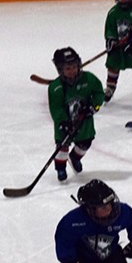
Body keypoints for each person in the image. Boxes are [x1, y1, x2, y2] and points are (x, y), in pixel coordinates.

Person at [48, 47, 105, 182]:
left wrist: (93, 107)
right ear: (60, 69)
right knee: (62, 148)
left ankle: (75, 157)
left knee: (85, 144)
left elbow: (99, 94)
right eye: (67, 68)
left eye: (74, 67)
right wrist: (62, 122)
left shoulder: (89, 78)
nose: (72, 70)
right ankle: (60, 169)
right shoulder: (56, 87)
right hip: (66, 124)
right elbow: (56, 108)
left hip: (84, 122)